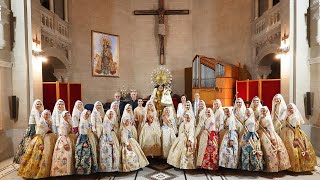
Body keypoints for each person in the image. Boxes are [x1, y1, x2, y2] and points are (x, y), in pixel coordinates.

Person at [18, 110, 56, 178]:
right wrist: (41, 144)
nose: (47, 116)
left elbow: (51, 131)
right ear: (43, 115)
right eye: (45, 114)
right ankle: (33, 172)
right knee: (37, 156)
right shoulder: (41, 122)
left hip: (47, 140)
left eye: (48, 114)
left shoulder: (49, 122)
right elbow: (39, 134)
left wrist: (50, 125)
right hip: (40, 140)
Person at [280, 103, 317, 172]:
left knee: (294, 148)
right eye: (288, 108)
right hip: (286, 133)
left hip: (294, 132)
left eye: (291, 108)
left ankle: (296, 166)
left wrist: (295, 137)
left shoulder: (295, 116)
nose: (289, 109)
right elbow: (283, 123)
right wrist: (286, 117)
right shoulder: (287, 115)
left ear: (294, 108)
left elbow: (295, 127)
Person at [258, 106, 290, 172]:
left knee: (269, 149)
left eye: (264, 111)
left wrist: (272, 138)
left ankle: (271, 167)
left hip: (267, 134)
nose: (263, 112)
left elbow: (270, 128)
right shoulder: (260, 117)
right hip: (260, 133)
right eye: (262, 111)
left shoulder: (268, 118)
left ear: (267, 111)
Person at [14, 99, 44, 164]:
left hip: (37, 128)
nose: (39, 105)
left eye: (40, 104)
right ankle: (26, 162)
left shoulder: (40, 111)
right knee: (29, 146)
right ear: (34, 105)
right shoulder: (35, 111)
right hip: (33, 129)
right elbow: (38, 122)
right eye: (37, 104)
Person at [51, 111, 75, 176]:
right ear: (62, 117)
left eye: (68, 115)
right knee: (64, 155)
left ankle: (68, 171)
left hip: (68, 138)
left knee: (69, 156)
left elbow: (73, 131)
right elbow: (63, 135)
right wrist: (65, 144)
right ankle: (61, 172)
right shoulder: (62, 124)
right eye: (65, 116)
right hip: (63, 140)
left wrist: (71, 124)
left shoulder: (68, 122)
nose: (66, 117)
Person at [75, 110, 98, 175]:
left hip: (90, 137)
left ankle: (91, 169)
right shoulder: (82, 122)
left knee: (92, 153)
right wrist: (84, 142)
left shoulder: (88, 121)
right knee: (85, 154)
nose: (87, 116)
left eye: (88, 114)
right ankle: (85, 170)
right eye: (86, 114)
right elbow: (83, 133)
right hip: (84, 139)